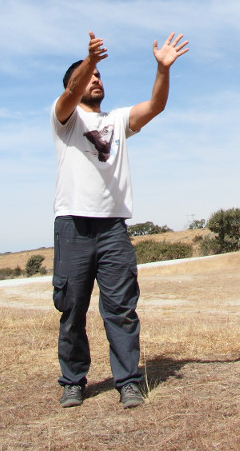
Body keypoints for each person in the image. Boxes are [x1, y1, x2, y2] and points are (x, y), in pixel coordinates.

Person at [50, 29, 189, 409]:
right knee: (72, 308)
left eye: (98, 75)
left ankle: (127, 380)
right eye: (87, 76)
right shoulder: (64, 119)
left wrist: (163, 70)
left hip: (113, 227)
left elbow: (156, 106)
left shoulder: (118, 121)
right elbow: (67, 97)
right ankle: (73, 381)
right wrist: (89, 61)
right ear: (74, 84)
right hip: (73, 226)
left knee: (121, 309)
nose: (96, 79)